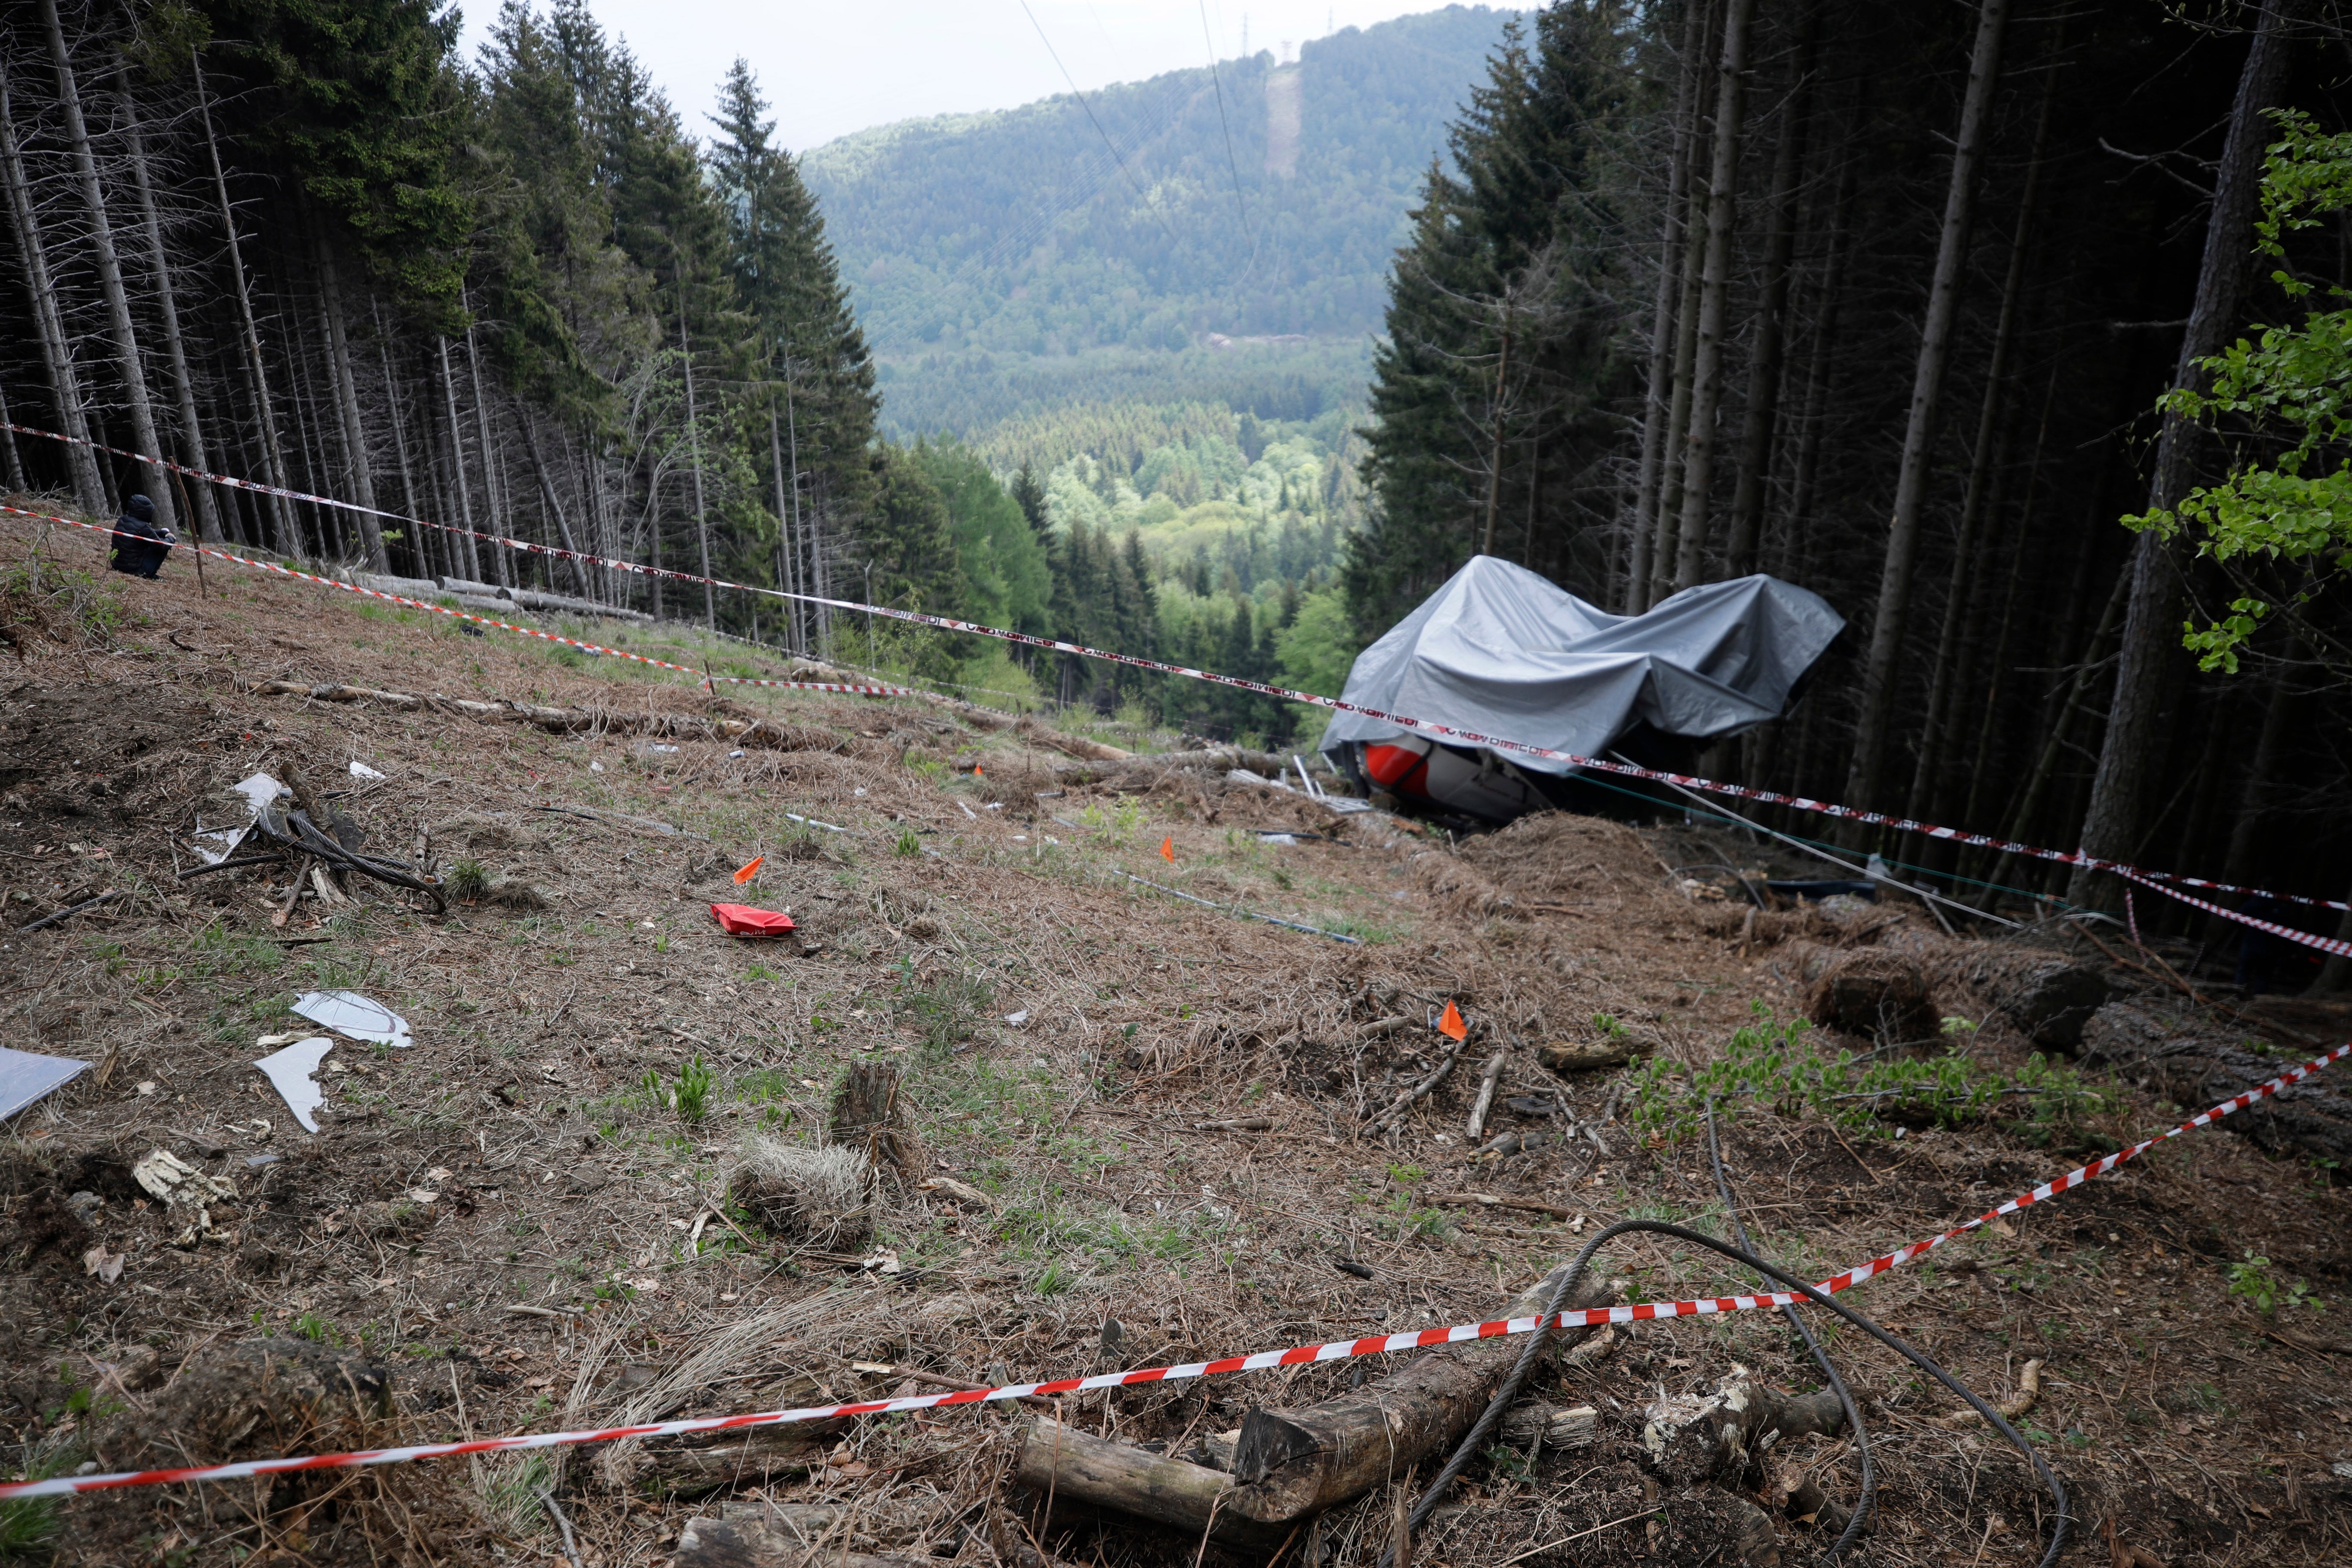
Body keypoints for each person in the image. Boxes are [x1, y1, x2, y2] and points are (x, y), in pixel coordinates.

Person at [107, 493, 176, 579]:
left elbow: (147, 533)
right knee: (161, 546)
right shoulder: (143, 527)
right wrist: (171, 538)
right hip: (135, 571)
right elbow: (161, 546)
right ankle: (150, 575)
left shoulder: (122, 520)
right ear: (145, 512)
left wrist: (162, 532)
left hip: (117, 566)